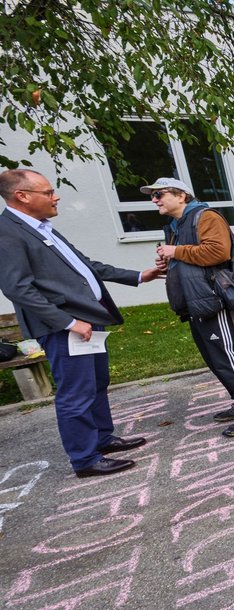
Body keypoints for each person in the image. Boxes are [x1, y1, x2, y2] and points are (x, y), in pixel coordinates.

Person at [0, 169, 162, 477]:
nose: (55, 196)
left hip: (86, 319)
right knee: (75, 392)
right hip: (65, 327)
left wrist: (139, 276)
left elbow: (85, 266)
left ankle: (102, 438)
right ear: (22, 196)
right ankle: (85, 459)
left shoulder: (43, 227)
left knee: (96, 382)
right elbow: (17, 288)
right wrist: (68, 322)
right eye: (47, 192)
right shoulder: (7, 232)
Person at [148, 178, 234, 437]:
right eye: (153, 196)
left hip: (211, 299)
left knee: (226, 355)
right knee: (213, 358)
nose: (154, 200)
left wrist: (175, 252)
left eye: (159, 194)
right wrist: (169, 261)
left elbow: (218, 252)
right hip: (193, 300)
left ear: (181, 196)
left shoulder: (206, 217)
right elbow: (190, 257)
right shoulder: (177, 225)